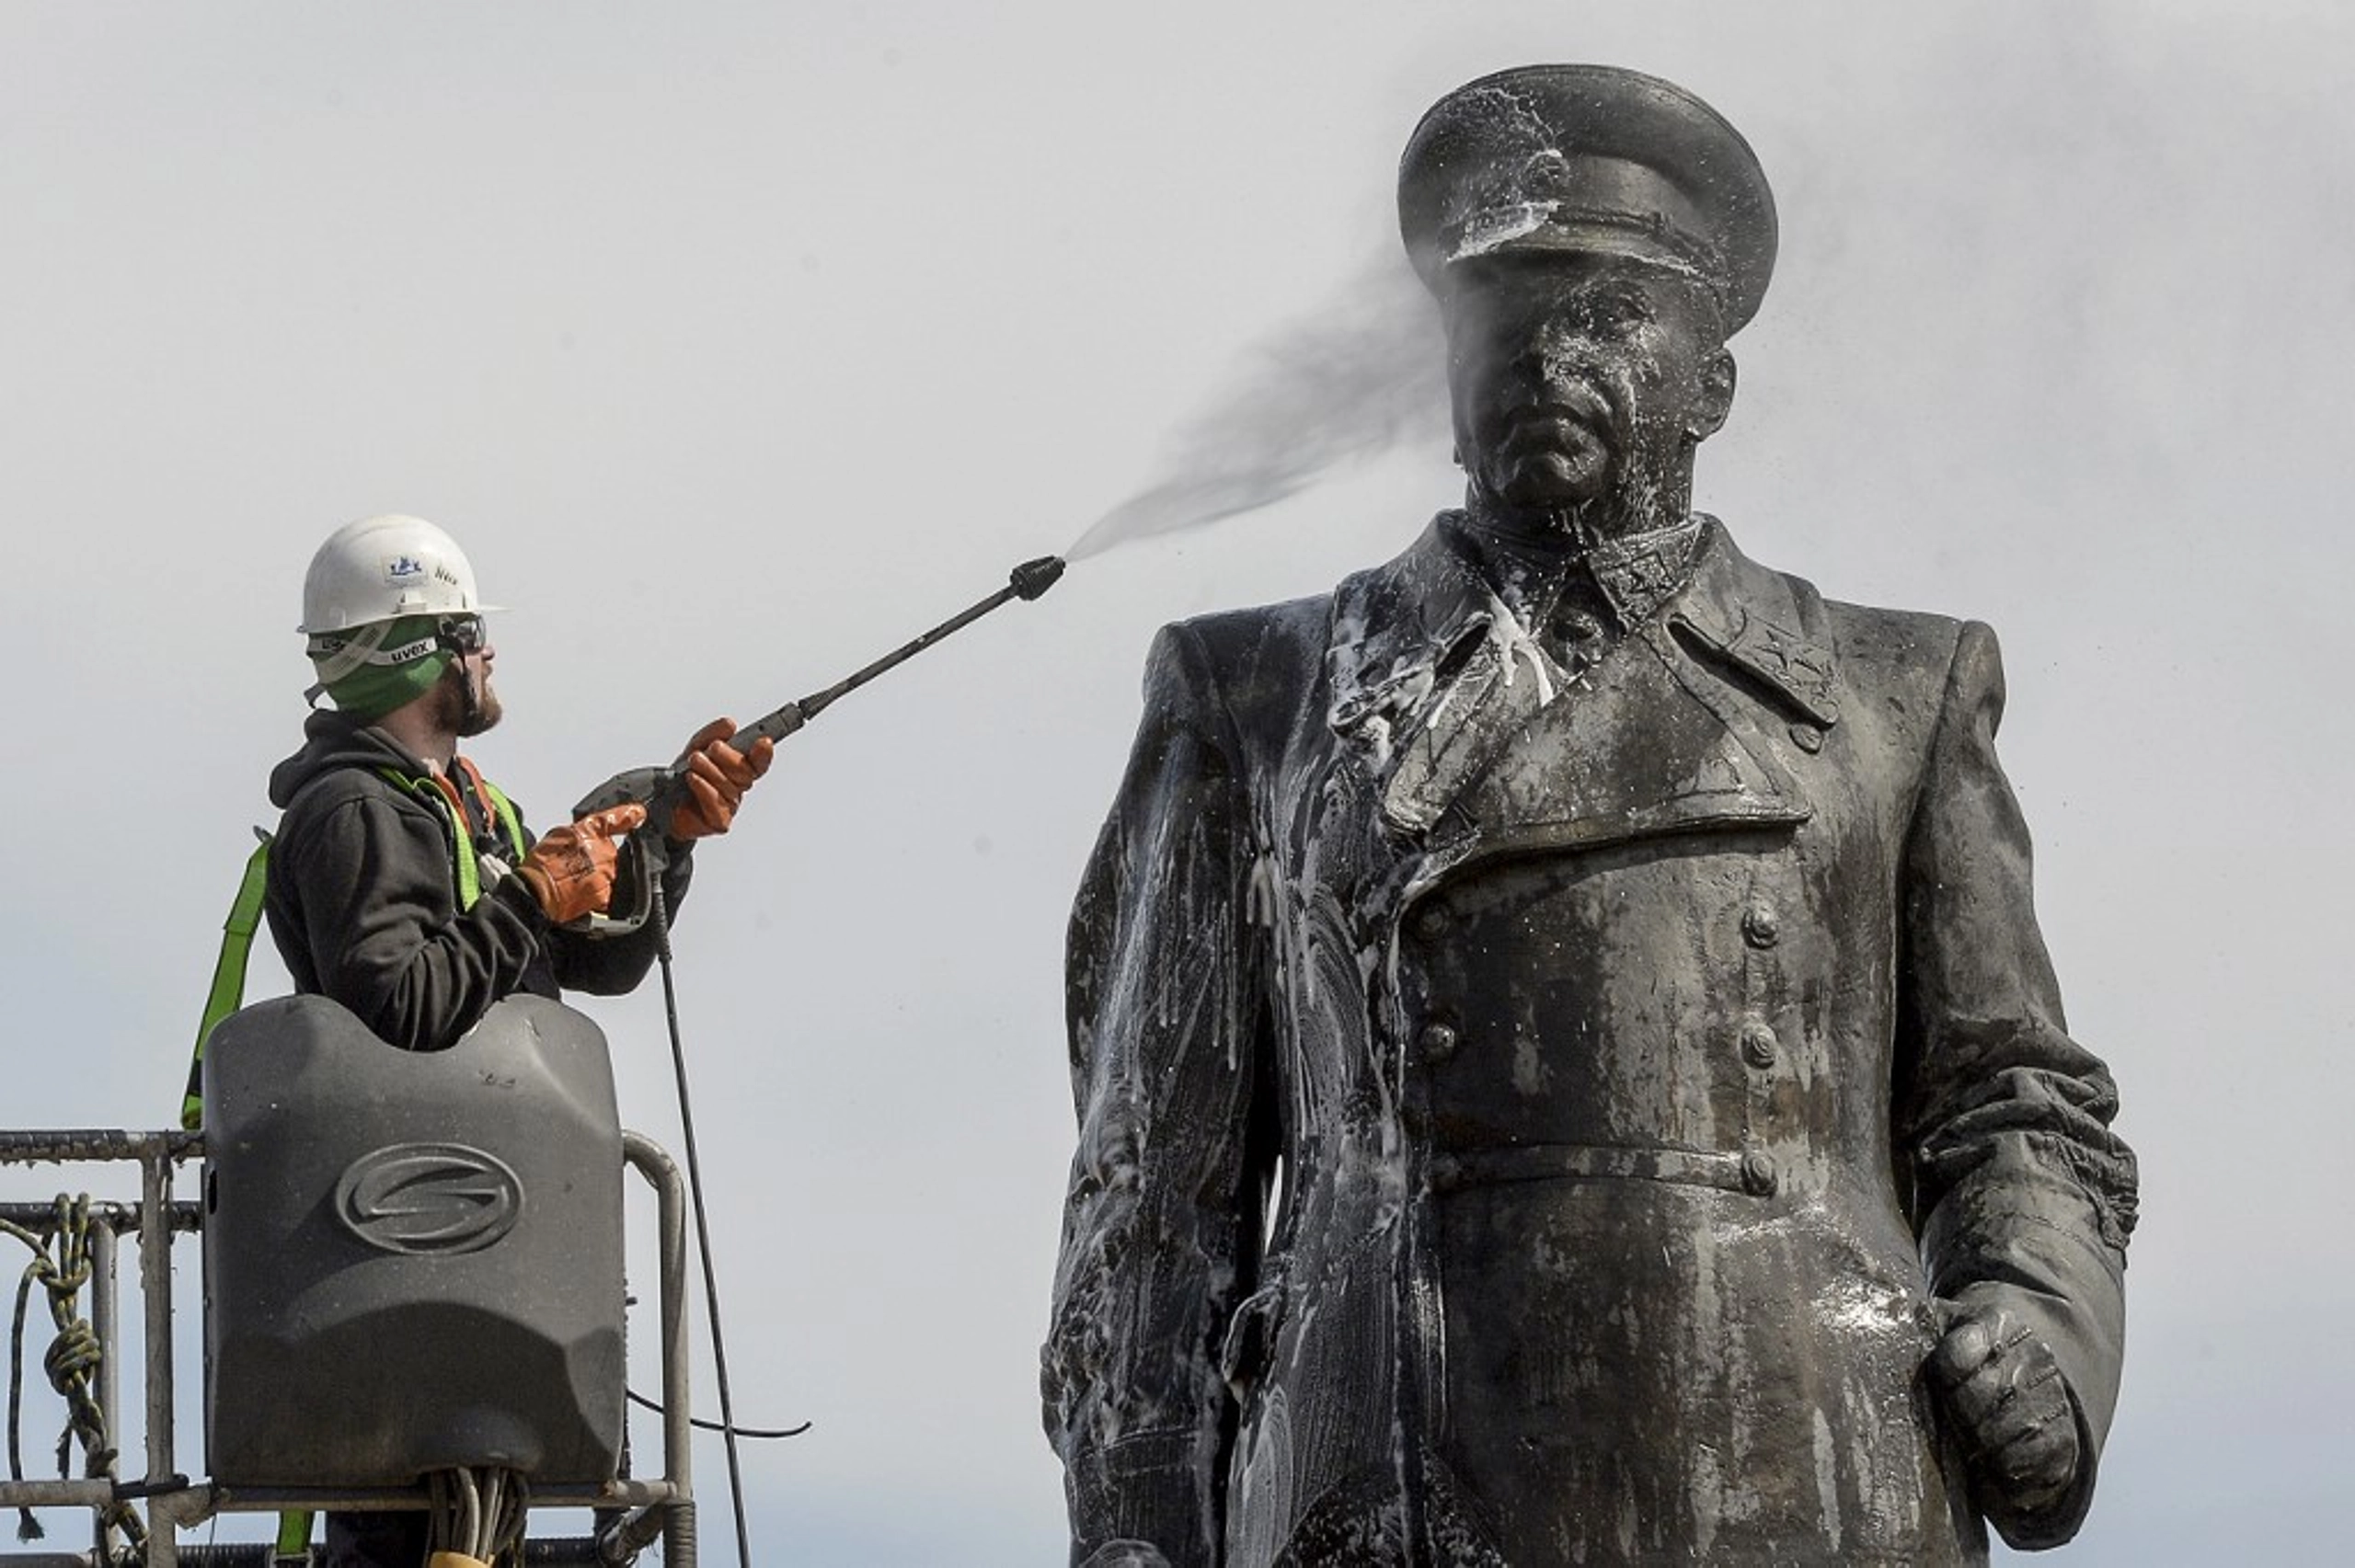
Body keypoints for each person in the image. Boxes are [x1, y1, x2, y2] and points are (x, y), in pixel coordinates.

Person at [1043, 65, 2136, 1567]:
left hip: (1797, 1480)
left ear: (1710, 384)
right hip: (1381, 1490)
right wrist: (1136, 1531)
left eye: (1610, 315)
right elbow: (1147, 1199)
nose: (1547, 354)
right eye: (1501, 317)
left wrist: (2040, 1331)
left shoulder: (1895, 694)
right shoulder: (1254, 698)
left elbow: (2016, 1104)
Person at [231, 512, 773, 1568]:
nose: (488, 652)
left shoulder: (468, 809)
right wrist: (533, 893)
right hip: (400, 1240)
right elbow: (403, 1003)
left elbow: (602, 960)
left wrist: (665, 842)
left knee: (477, 1523)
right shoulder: (352, 812)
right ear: (414, 654)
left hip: (470, 1251)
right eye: (469, 631)